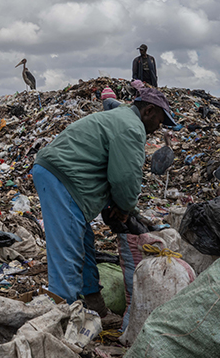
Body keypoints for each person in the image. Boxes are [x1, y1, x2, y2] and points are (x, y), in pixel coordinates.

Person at [31, 88, 176, 324]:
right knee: (66, 254)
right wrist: (126, 208)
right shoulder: (131, 127)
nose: (158, 128)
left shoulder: (122, 117)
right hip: (62, 178)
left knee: (83, 241)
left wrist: (133, 212)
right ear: (148, 111)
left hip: (65, 178)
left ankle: (96, 307)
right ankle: (61, 324)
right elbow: (123, 178)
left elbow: (112, 172)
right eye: (159, 121)